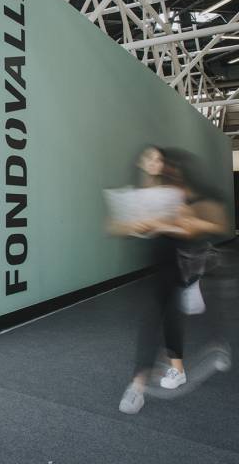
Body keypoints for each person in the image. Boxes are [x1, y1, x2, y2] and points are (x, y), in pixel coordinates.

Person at [113, 147, 228, 415]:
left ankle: (137, 386)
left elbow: (189, 226)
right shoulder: (138, 194)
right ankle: (179, 369)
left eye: (159, 159)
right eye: (151, 158)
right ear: (141, 163)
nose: (156, 163)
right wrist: (134, 226)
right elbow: (119, 226)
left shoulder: (173, 192)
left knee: (154, 319)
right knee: (169, 318)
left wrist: (164, 224)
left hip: (174, 264)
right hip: (153, 267)